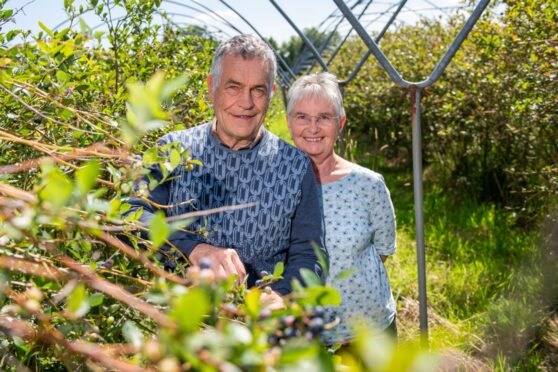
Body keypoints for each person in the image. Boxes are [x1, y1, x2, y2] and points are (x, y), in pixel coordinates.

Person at [127, 35, 325, 308]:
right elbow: (131, 214)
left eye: (257, 90)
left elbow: (309, 255)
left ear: (271, 93)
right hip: (178, 322)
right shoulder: (173, 149)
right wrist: (194, 248)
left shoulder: (296, 166)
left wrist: (283, 298)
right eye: (234, 87)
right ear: (212, 88)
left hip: (258, 332)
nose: (246, 102)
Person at [286, 72, 397, 344]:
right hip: (303, 335)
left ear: (340, 123)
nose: (313, 127)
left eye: (324, 117)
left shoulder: (369, 185)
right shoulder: (274, 184)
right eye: (302, 117)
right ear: (289, 123)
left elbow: (383, 251)